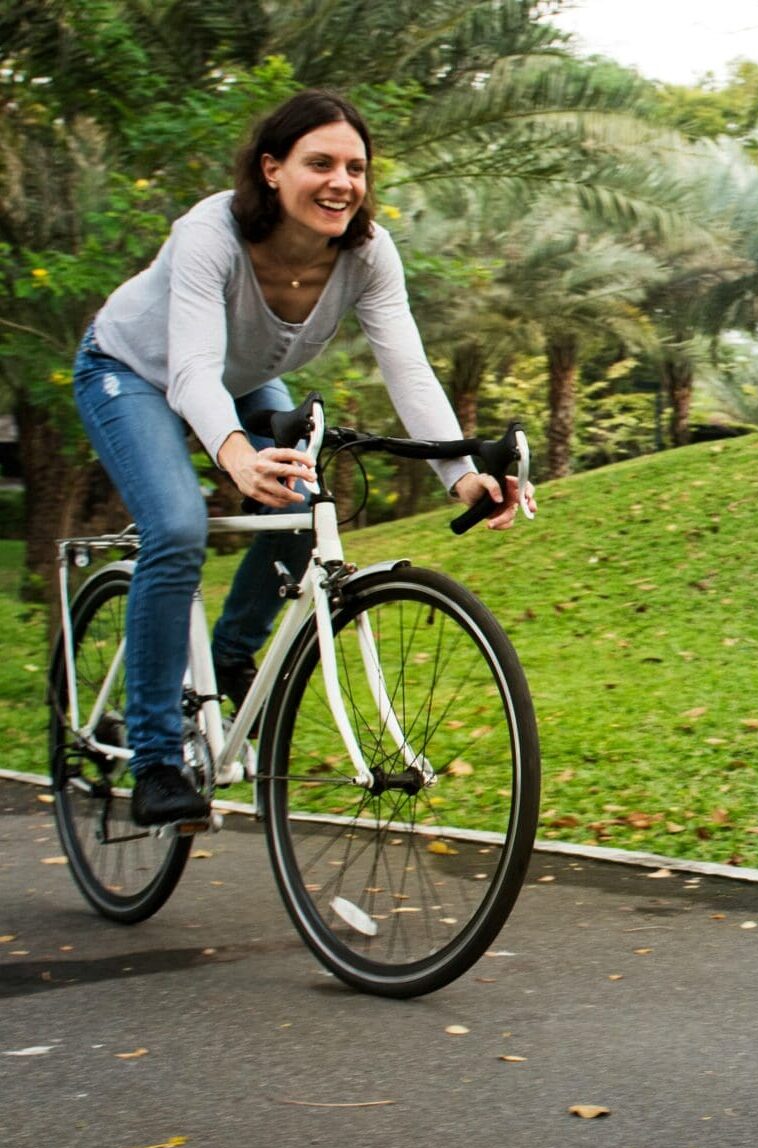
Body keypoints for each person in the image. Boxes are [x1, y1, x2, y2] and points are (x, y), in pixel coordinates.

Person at [72, 89, 522, 828]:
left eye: (356, 167)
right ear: (272, 169)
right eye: (320, 163)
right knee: (179, 528)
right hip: (131, 371)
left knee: (300, 500)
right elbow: (189, 368)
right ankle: (154, 759)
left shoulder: (368, 254)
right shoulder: (210, 232)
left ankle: (221, 668)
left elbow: (407, 368)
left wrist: (462, 475)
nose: (342, 182)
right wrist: (236, 455)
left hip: (238, 380)